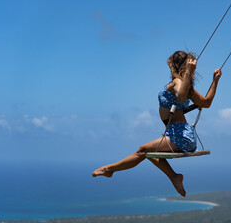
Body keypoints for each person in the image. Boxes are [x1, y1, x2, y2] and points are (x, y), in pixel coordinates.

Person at [92, 51, 222, 197]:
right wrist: (215, 81)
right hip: (186, 137)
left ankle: (109, 169)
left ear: (173, 65)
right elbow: (206, 103)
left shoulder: (177, 83)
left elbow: (180, 97)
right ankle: (174, 177)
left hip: (179, 135)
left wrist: (188, 73)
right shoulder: (186, 86)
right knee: (150, 153)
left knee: (142, 150)